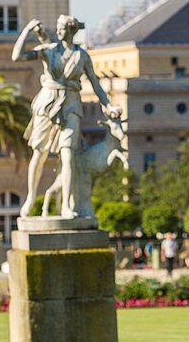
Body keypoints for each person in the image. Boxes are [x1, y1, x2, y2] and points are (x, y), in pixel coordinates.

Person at [12, 15, 116, 218]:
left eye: (62, 29)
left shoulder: (82, 56)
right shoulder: (49, 51)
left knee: (68, 155)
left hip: (71, 105)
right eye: (58, 28)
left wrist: (108, 106)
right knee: (39, 154)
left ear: (71, 31)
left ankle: (67, 206)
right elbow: (17, 56)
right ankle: (31, 198)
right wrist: (26, 31)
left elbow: (95, 84)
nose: (58, 32)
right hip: (48, 103)